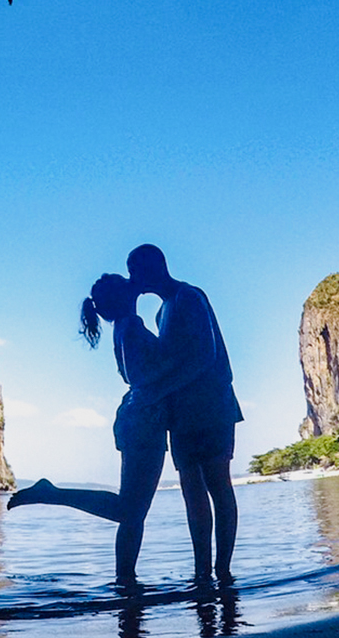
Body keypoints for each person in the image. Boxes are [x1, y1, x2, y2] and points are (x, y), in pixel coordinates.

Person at [7, 274, 168, 584]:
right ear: (122, 296)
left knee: (133, 514)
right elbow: (144, 374)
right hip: (144, 418)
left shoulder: (124, 326)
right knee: (130, 511)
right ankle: (52, 494)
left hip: (139, 417)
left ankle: (126, 579)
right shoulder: (131, 326)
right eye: (127, 282)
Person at [126, 244, 243, 587]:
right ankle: (202, 572)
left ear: (154, 267)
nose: (134, 279)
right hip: (181, 414)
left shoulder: (189, 296)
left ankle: (222, 570)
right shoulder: (162, 313)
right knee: (191, 491)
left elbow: (206, 354)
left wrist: (159, 391)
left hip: (213, 406)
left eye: (136, 271)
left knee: (218, 485)